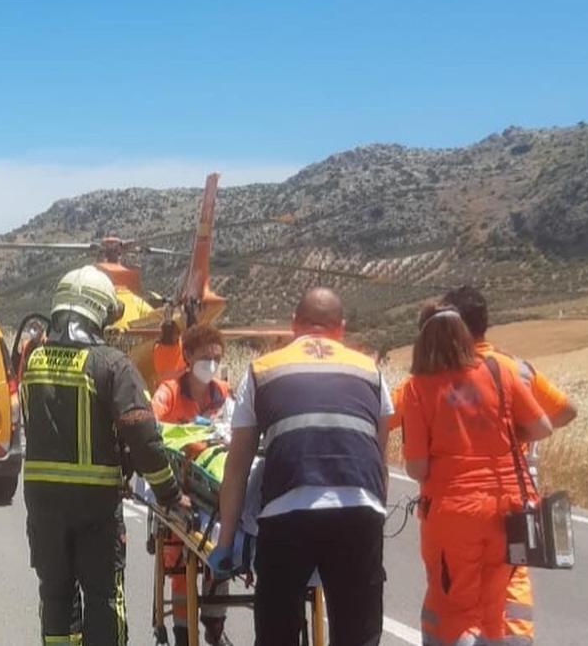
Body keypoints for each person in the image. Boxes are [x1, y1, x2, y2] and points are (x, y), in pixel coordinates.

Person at [213, 287, 392, 646]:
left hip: (287, 512)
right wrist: (373, 520)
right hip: (359, 510)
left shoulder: (263, 369)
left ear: (295, 325)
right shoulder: (371, 373)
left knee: (277, 631)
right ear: (340, 328)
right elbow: (379, 458)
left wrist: (227, 540)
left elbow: (237, 465)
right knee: (358, 635)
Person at [23, 265, 189, 646]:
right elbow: (143, 436)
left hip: (43, 504)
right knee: (103, 597)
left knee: (56, 595)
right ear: (98, 311)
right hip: (95, 506)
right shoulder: (111, 364)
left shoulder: (32, 361)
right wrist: (170, 494)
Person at [397, 305, 553, 646]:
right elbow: (542, 426)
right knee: (492, 611)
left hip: (454, 512)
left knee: (456, 611)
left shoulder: (417, 388)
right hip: (508, 508)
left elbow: (417, 468)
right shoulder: (500, 370)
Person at [151, 324, 230, 646]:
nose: (210, 364)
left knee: (221, 551)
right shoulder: (169, 392)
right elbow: (152, 430)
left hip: (212, 482)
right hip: (180, 486)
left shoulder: (222, 393)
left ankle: (213, 624)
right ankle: (184, 633)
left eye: (216, 358)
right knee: (181, 559)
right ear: (187, 356)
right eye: (204, 357)